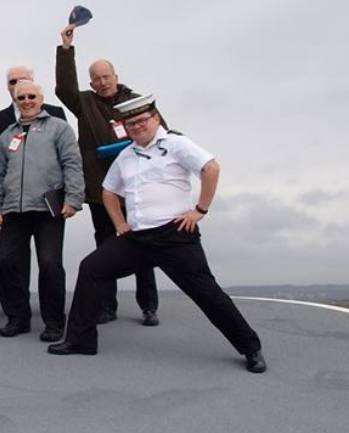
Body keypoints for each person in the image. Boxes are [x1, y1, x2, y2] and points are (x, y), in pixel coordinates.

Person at [48, 95, 267, 374]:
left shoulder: (176, 145)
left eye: (142, 120)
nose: (137, 127)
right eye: (131, 123)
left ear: (155, 119)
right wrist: (120, 224)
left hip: (174, 235)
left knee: (206, 293)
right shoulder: (126, 155)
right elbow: (109, 191)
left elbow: (211, 168)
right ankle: (81, 341)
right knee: (91, 268)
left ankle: (250, 348)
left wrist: (200, 210)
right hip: (138, 238)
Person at [54, 23, 160, 326]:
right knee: (105, 246)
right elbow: (63, 88)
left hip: (138, 186)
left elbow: (160, 133)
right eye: (96, 78)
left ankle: (148, 306)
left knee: (143, 243)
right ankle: (107, 306)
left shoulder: (138, 101)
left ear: (116, 77)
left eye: (106, 77)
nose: (101, 82)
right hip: (102, 189)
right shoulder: (84, 103)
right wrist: (66, 49)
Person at [0, 80, 84, 341]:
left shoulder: (59, 128)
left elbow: (72, 164)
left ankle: (53, 322)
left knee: (50, 264)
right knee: (6, 262)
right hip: (14, 211)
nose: (27, 101)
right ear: (15, 101)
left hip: (48, 209)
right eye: (21, 97)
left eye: (32, 96)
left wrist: (73, 198)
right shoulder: (7, 135)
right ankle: (18, 317)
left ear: (41, 99)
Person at [0, 65, 66, 136]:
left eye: (23, 80)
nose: (18, 85)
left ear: (32, 82)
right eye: (13, 82)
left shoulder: (55, 113)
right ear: (8, 87)